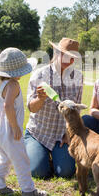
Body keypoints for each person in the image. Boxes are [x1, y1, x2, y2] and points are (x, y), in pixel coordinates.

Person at [0, 47, 47, 196]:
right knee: (21, 159)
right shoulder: (13, 85)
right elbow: (8, 106)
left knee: (4, 157)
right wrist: (15, 126)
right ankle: (28, 190)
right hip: (9, 128)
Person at [24, 38, 83, 179]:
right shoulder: (40, 75)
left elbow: (76, 111)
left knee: (66, 172)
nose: (69, 60)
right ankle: (37, 153)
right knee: (39, 173)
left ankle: (52, 157)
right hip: (38, 134)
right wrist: (40, 99)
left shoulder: (78, 77)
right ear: (56, 52)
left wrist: (69, 134)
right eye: (65, 55)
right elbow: (31, 108)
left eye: (72, 57)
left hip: (62, 135)